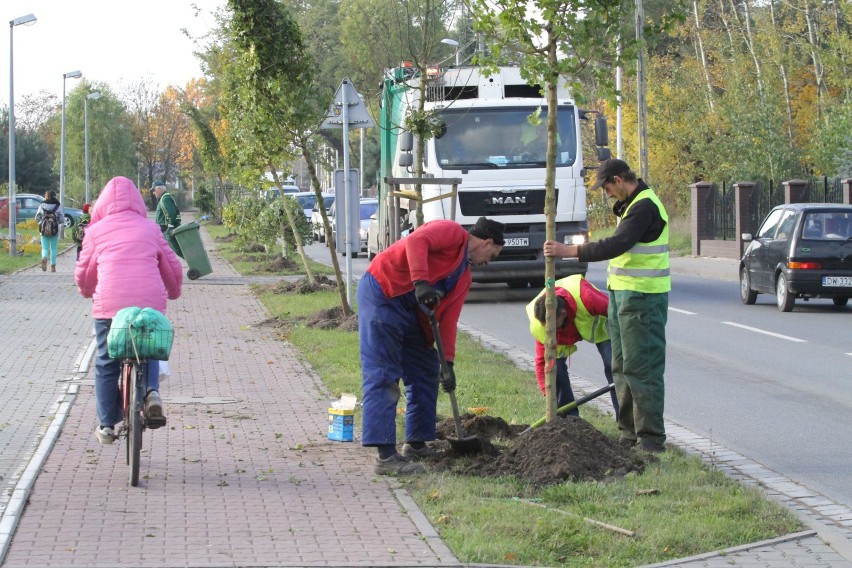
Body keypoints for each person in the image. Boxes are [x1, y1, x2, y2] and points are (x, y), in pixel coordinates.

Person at [358, 216, 505, 475]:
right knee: (384, 374)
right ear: (486, 242)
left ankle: (415, 443)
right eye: (491, 256)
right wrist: (421, 282)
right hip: (383, 291)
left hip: (412, 312)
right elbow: (416, 241)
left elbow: (449, 320)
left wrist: (447, 363)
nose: (487, 263)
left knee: (426, 369)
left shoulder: (464, 278)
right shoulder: (450, 232)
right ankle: (385, 457)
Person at [543, 158, 669, 453]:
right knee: (621, 367)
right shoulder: (631, 205)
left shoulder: (644, 207)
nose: (607, 194)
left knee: (642, 369)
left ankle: (650, 440)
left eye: (608, 187)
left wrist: (569, 251)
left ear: (620, 179)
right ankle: (628, 434)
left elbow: (615, 245)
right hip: (624, 295)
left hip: (644, 299)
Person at [75, 176, 183, 445]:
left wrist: (88, 292)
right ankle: (151, 393)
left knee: (105, 361)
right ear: (136, 201)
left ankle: (107, 424)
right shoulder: (150, 229)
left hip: (110, 307)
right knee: (150, 347)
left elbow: (86, 272)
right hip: (148, 303)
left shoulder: (95, 232)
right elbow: (172, 267)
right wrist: (174, 291)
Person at [526, 274, 619, 418]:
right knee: (554, 368)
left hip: (602, 329)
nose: (548, 331)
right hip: (565, 333)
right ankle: (570, 420)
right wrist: (548, 394)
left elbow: (618, 314)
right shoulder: (540, 324)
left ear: (563, 314)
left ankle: (626, 422)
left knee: (616, 367)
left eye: (551, 328)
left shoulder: (587, 298)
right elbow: (541, 362)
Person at [152, 180, 183, 258]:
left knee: (178, 250)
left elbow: (171, 213)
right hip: (165, 230)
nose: (153, 192)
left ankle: (195, 265)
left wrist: (170, 226)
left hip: (168, 230)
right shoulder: (164, 197)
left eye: (154, 190)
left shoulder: (165, 198)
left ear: (159, 189)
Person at [35, 190, 63, 272]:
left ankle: (44, 257)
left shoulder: (42, 205)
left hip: (43, 230)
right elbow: (61, 219)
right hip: (55, 230)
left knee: (45, 248)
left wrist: (41, 222)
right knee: (53, 249)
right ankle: (53, 266)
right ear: (55, 196)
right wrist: (56, 221)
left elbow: (37, 217)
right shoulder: (58, 206)